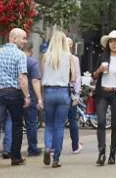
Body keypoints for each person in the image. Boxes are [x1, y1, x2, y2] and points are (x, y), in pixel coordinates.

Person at [93, 30, 116, 165]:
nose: (113, 44)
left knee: (115, 124)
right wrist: (99, 71)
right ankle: (101, 152)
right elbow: (94, 75)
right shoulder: (102, 57)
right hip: (102, 92)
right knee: (101, 122)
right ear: (107, 43)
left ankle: (112, 154)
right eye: (111, 41)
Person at [41, 29, 76, 168]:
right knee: (59, 126)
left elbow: (43, 75)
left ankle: (48, 147)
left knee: (49, 124)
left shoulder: (45, 56)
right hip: (63, 93)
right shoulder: (69, 57)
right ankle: (56, 158)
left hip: (49, 91)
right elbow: (73, 77)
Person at [2, 40, 43, 159]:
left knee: (11, 122)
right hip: (28, 96)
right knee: (31, 123)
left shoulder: (11, 57)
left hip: (13, 94)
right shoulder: (32, 62)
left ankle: (8, 148)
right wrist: (39, 98)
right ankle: (32, 148)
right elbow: (35, 80)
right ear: (31, 50)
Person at [0, 28, 30, 166]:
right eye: (23, 38)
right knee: (17, 125)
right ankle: (15, 157)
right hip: (13, 93)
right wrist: (27, 95)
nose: (25, 41)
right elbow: (22, 77)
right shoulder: (20, 55)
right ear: (13, 38)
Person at [66, 37, 83, 154]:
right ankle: (75, 145)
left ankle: (52, 146)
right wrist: (77, 94)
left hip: (56, 89)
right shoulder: (74, 59)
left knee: (56, 121)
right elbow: (77, 78)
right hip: (70, 91)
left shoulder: (53, 57)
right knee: (72, 119)